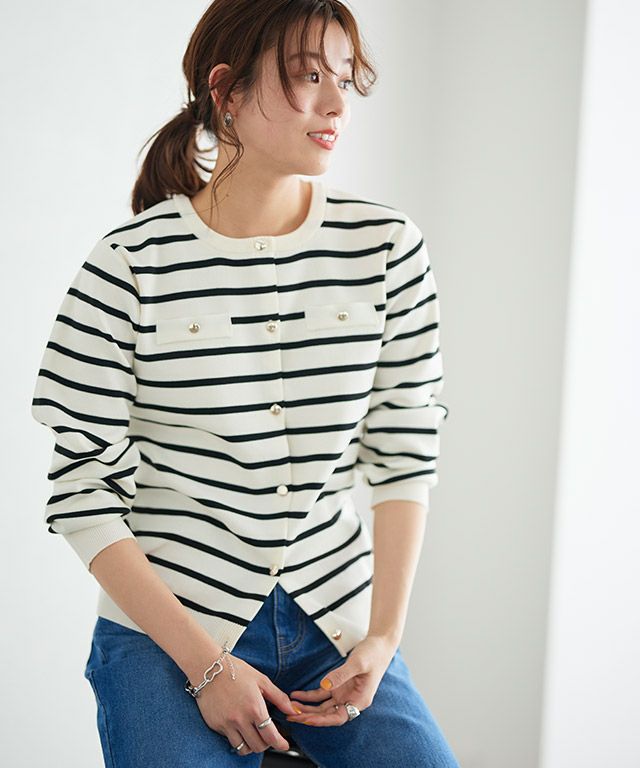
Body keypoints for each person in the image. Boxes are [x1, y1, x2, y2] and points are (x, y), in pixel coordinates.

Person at [30, 1, 459, 765]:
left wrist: (384, 637)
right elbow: (83, 492)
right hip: (167, 630)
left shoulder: (387, 248)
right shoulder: (129, 264)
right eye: (308, 77)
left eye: (345, 79)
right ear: (226, 91)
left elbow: (404, 450)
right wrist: (206, 667)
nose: (337, 104)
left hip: (335, 622)